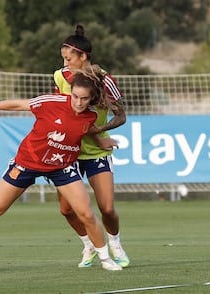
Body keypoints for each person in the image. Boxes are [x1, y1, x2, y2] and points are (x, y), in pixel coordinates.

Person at [0, 65, 122, 271]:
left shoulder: (90, 115)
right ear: (70, 92)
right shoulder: (50, 102)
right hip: (27, 162)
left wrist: (100, 141)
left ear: (91, 98)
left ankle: (105, 259)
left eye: (84, 98)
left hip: (61, 166)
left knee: (87, 214)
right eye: (75, 97)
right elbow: (19, 105)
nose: (79, 102)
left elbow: (85, 128)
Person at [53, 25, 129, 268]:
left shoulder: (104, 80)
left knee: (106, 208)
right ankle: (88, 245)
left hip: (96, 151)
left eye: (69, 58)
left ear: (83, 56)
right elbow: (58, 110)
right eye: (63, 58)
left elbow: (121, 116)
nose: (65, 63)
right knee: (66, 210)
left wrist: (97, 130)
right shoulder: (60, 77)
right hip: (69, 151)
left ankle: (115, 244)